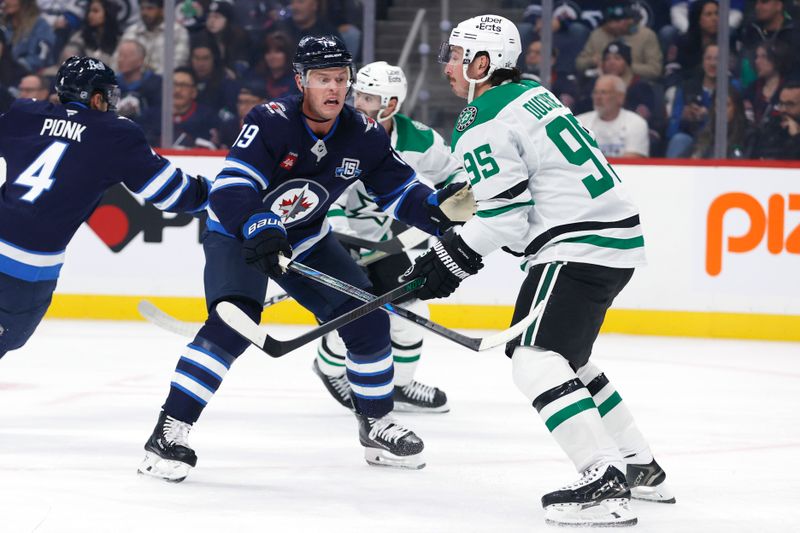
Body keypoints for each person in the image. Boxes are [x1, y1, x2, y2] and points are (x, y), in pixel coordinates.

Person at [136, 35, 473, 483]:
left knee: (367, 319)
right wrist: (261, 227)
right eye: (322, 79)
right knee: (232, 326)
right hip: (238, 233)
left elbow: (400, 191)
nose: (334, 89)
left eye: (341, 79)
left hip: (309, 238)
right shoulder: (270, 120)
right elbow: (233, 187)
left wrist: (437, 212)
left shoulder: (363, 132)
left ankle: (376, 425)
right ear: (301, 81)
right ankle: (169, 432)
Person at [406, 14, 674, 528]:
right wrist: (465, 206)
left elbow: (505, 218)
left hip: (579, 246)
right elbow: (518, 185)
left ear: (483, 63)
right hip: (610, 239)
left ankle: (602, 478)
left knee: (534, 357)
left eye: (458, 55)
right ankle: (640, 466)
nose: (449, 66)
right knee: (568, 360)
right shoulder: (531, 94)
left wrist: (447, 260)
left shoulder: (481, 116)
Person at [0, 56, 209, 359]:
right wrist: (219, 196)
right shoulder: (115, 134)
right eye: (108, 95)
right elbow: (171, 193)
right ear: (96, 98)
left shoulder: (25, 112)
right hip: (26, 274)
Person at [313, 61, 466, 413]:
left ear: (391, 105)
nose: (356, 103)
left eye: (367, 98)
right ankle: (330, 368)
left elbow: (455, 174)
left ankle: (400, 384)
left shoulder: (418, 139)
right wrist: (341, 238)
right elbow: (321, 194)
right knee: (354, 316)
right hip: (331, 239)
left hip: (379, 241)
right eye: (357, 95)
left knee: (411, 313)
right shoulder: (331, 134)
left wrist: (459, 211)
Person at [575, 0, 663, 81]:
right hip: (602, 83)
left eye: (620, 20)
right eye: (612, 20)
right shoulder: (597, 34)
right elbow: (579, 64)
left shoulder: (646, 35)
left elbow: (655, 70)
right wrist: (591, 61)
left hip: (636, 84)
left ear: (631, 20)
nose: (615, 25)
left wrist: (626, 67)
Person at [577, 74, 650, 158]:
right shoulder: (580, 122)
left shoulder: (636, 122)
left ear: (620, 97)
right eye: (595, 92)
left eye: (604, 93)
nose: (598, 97)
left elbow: (632, 161)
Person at [120, 0, 189, 75]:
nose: (145, 13)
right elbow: (116, 62)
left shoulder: (177, 31)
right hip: (131, 83)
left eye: (150, 8)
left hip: (165, 83)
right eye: (142, 8)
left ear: (162, 10)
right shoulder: (131, 31)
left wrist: (151, 80)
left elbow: (177, 65)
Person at [114, 39, 162, 131]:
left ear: (141, 60)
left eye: (126, 56)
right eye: (120, 55)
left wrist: (138, 111)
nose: (120, 60)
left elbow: (158, 116)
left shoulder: (156, 83)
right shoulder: (112, 84)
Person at [747, 80, 800, 159]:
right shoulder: (771, 129)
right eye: (781, 104)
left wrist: (796, 137)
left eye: (790, 104)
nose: (783, 109)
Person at [0, 0, 56, 74]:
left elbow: (39, 58)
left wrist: (12, 68)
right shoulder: (3, 23)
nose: (6, 1)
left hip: (27, 74)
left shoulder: (40, 25)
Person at [244, 30, 300, 100]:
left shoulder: (296, 81)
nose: (272, 56)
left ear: (287, 54)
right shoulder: (256, 78)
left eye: (278, 51)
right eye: (268, 52)